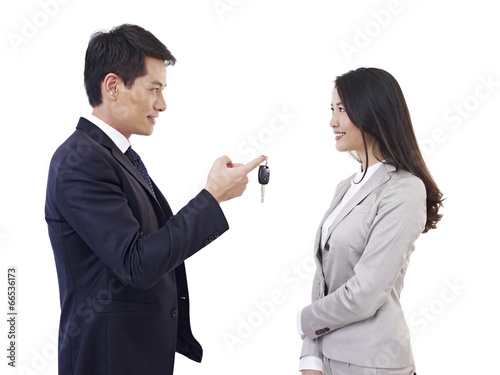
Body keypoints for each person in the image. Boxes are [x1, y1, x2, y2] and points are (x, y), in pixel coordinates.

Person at [45, 24, 265, 375]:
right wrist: (212, 197)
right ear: (113, 86)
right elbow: (137, 263)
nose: (162, 104)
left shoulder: (113, 155)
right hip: (107, 360)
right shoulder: (82, 161)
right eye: (154, 89)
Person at [298, 67, 444, 375]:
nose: (332, 121)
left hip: (373, 364)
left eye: (342, 109)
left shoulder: (404, 189)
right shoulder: (345, 187)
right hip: (329, 362)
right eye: (332, 109)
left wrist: (306, 320)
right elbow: (323, 278)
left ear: (371, 111)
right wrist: (310, 358)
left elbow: (366, 292)